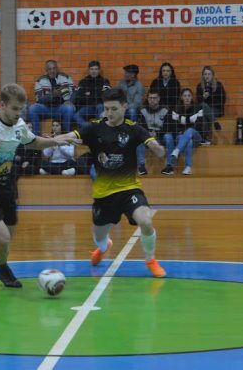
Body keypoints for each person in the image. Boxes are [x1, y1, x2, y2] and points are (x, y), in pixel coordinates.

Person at [0, 83, 79, 288]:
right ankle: (3, 270)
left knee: (7, 234)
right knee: (3, 237)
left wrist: (57, 140)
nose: (17, 113)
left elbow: (34, 142)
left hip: (6, 189)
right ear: (2, 105)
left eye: (20, 109)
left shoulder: (19, 124)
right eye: (14, 109)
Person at [65, 88, 167, 277]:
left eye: (113, 109)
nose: (109, 114)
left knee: (145, 221)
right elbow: (73, 135)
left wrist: (157, 149)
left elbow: (156, 147)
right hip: (104, 194)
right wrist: (60, 139)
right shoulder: (95, 127)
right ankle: (104, 247)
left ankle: (150, 260)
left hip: (129, 189)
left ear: (124, 106)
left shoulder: (134, 128)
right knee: (100, 237)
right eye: (106, 109)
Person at [28, 60, 75, 135]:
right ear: (46, 70)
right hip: (46, 108)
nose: (52, 71)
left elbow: (74, 93)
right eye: (50, 69)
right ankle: (36, 136)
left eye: (54, 68)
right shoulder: (40, 80)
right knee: (32, 108)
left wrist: (69, 100)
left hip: (61, 107)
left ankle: (67, 135)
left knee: (69, 108)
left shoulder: (66, 77)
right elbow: (38, 99)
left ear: (57, 68)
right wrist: (51, 95)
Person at [168, 88, 205, 175]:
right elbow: (174, 126)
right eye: (185, 96)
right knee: (189, 141)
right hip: (182, 137)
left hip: (197, 136)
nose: (187, 98)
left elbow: (199, 125)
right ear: (181, 98)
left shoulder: (198, 107)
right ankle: (188, 167)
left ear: (192, 97)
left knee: (190, 130)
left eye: (189, 96)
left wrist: (182, 120)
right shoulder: (176, 109)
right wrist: (191, 120)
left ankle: (177, 150)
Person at [136, 89, 172, 176]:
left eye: (154, 98)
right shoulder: (142, 110)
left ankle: (169, 166)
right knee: (137, 138)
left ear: (159, 99)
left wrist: (157, 133)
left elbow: (168, 126)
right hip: (147, 137)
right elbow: (141, 126)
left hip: (161, 136)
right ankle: (141, 166)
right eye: (150, 98)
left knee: (169, 137)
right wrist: (148, 134)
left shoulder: (166, 110)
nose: (152, 100)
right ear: (147, 99)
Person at [73, 60, 111, 128]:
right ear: (89, 70)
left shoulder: (104, 81)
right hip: (88, 106)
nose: (94, 71)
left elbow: (107, 96)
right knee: (76, 115)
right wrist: (98, 93)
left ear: (99, 70)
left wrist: (89, 94)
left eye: (96, 69)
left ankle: (99, 132)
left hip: (100, 106)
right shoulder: (83, 81)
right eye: (92, 69)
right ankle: (89, 128)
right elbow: (78, 97)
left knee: (100, 106)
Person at [195, 65, 226, 134]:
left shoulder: (218, 85)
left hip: (216, 109)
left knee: (205, 114)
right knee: (204, 108)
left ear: (212, 75)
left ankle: (205, 137)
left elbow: (222, 100)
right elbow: (199, 102)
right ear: (203, 76)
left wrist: (210, 96)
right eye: (205, 74)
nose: (207, 76)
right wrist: (203, 97)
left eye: (209, 74)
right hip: (204, 109)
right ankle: (214, 122)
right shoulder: (200, 86)